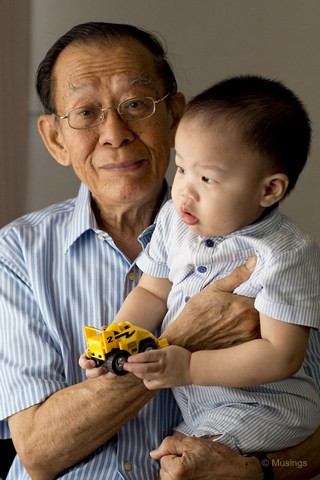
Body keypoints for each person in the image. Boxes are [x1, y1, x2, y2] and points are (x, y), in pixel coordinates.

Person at [0, 21, 318, 480]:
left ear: (175, 118)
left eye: (135, 104)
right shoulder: (16, 256)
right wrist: (180, 339)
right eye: (86, 113)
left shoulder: (276, 250)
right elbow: (38, 453)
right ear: (55, 139)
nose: (115, 133)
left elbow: (309, 424)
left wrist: (257, 470)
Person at [91, 75, 320, 454]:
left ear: (269, 189)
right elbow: (151, 291)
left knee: (188, 462)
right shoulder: (172, 221)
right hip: (200, 409)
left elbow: (282, 354)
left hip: (264, 408)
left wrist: (190, 369)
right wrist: (115, 342)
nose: (184, 189)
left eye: (207, 178)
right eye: (181, 168)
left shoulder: (286, 253)